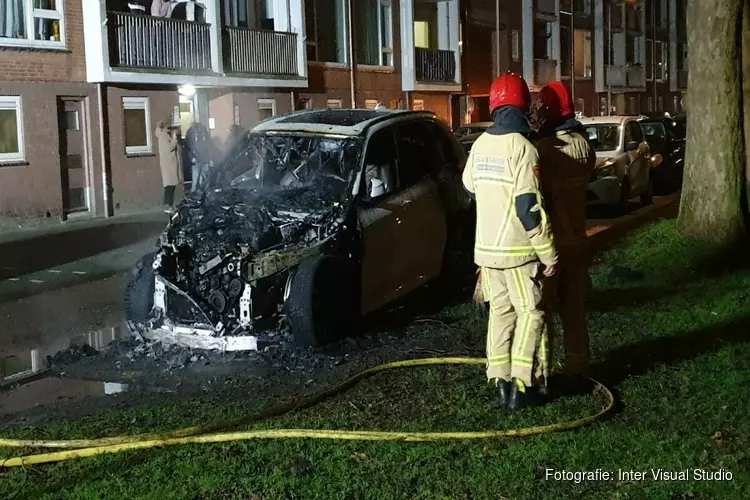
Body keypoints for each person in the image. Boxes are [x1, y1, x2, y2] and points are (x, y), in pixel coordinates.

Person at [462, 72, 558, 410]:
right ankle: (522, 383)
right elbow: (528, 209)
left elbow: (470, 185)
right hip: (518, 253)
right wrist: (548, 254)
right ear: (523, 107)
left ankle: (499, 379)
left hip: (487, 254)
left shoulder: (479, 145)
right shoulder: (524, 149)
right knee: (531, 313)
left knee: (500, 314)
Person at [534, 81, 597, 381]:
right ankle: (578, 364)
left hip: (552, 244)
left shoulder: (544, 150)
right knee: (574, 309)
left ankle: (543, 371)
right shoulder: (585, 145)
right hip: (577, 239)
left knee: (543, 310)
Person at [155, 120, 183, 210]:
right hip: (168, 165)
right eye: (169, 127)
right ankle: (168, 205)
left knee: (171, 186)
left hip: (169, 164)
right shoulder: (163, 136)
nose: (171, 130)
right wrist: (174, 138)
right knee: (169, 186)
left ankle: (170, 205)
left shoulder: (164, 135)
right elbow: (169, 148)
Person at [184, 121, 212, 193]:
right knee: (202, 179)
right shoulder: (203, 132)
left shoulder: (191, 132)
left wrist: (192, 157)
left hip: (198, 159)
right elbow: (208, 145)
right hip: (202, 159)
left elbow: (188, 146)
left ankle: (196, 194)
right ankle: (200, 193)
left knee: (197, 179)